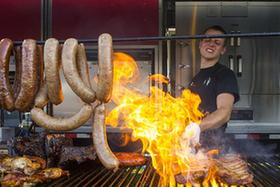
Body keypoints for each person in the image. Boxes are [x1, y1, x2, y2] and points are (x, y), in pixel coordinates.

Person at [186, 25, 240, 152]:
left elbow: (224, 112)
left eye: (217, 43)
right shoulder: (197, 78)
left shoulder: (225, 75)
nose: (211, 44)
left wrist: (196, 128)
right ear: (200, 44)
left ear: (223, 50)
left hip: (212, 149)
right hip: (193, 147)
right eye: (207, 40)